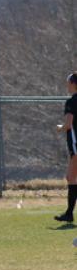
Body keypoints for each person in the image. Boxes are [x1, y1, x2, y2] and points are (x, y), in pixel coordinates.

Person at [55, 72, 77, 222]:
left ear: (74, 84)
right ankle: (69, 213)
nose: (67, 85)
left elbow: (68, 125)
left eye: (68, 82)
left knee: (71, 177)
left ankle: (69, 213)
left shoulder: (71, 102)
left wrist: (60, 128)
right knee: (71, 177)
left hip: (76, 144)